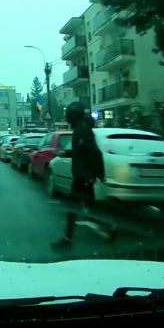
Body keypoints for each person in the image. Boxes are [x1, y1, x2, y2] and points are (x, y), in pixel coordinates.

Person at [51, 102, 106, 250]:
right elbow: (82, 152)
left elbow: (93, 153)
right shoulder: (82, 129)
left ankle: (67, 239)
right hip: (84, 176)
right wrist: (66, 153)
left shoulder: (83, 131)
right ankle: (110, 228)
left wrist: (95, 175)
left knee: (73, 207)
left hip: (83, 177)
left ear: (73, 116)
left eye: (68, 116)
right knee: (90, 207)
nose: (67, 119)